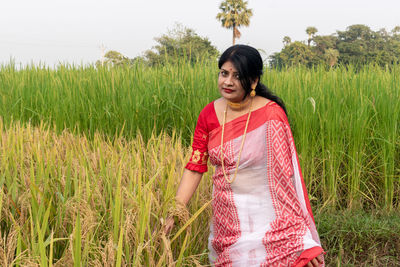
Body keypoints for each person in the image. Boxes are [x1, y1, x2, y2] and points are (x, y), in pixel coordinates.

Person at [165, 45, 325, 266]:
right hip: (228, 223)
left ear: (253, 81)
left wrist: (301, 238)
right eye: (224, 73)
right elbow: (195, 167)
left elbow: (287, 181)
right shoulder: (208, 114)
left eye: (237, 76)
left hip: (272, 223)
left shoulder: (271, 115)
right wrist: (175, 211)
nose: (227, 82)